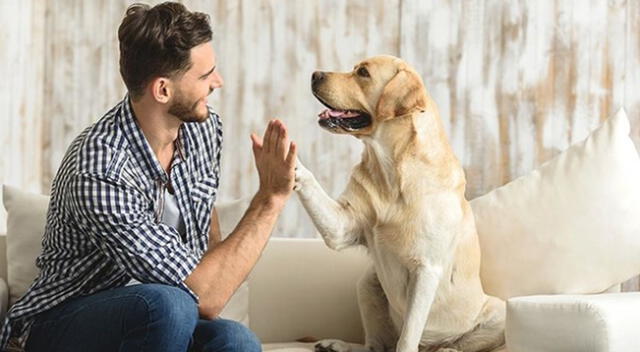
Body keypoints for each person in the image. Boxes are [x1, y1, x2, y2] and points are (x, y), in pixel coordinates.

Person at [0, 2, 297, 351]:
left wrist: (211, 276)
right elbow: (206, 296)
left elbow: (206, 229)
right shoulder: (99, 169)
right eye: (205, 76)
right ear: (163, 90)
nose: (218, 82)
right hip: (64, 322)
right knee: (169, 305)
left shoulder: (202, 129)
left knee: (236, 340)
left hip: (165, 320)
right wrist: (270, 199)